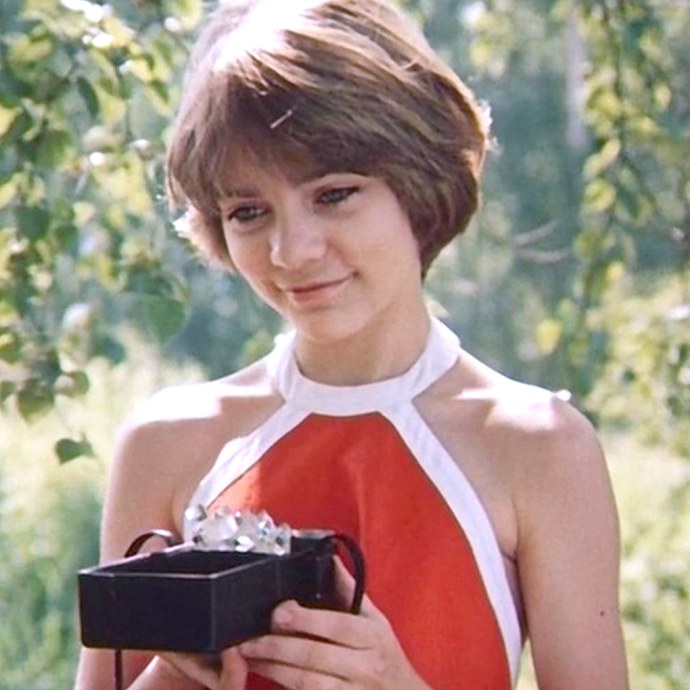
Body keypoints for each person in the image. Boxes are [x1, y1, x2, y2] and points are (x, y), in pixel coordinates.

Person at [75, 0, 629, 688]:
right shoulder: (166, 443)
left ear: (418, 184)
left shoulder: (538, 447)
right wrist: (181, 668)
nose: (292, 250)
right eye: (249, 212)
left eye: (334, 194)